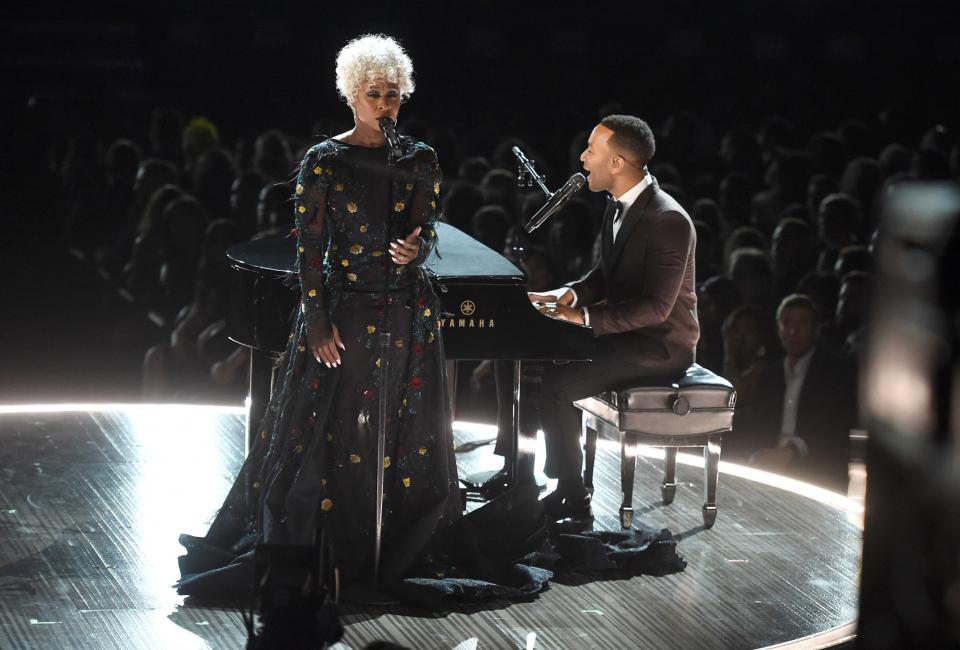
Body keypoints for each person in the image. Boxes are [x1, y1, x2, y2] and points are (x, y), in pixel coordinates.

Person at [175, 34, 472, 599]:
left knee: (402, 426)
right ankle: (334, 539)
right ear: (351, 94)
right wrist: (315, 320)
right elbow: (309, 249)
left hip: (408, 306)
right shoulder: (324, 160)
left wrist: (417, 245)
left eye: (393, 94)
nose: (386, 104)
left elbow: (426, 225)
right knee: (335, 425)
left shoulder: (419, 157)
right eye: (374, 93)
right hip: (348, 304)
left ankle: (394, 540)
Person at [527, 115, 699, 522]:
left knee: (555, 384)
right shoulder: (615, 205)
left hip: (659, 347)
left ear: (618, 163)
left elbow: (657, 308)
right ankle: (552, 479)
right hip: (623, 334)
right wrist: (566, 294)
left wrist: (582, 316)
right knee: (540, 357)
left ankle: (572, 494)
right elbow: (604, 277)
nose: (582, 157)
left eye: (591, 150)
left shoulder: (668, 220)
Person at [736, 294, 857, 491]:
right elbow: (759, 420)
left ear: (816, 329)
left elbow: (835, 426)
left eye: (802, 324)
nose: (793, 331)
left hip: (818, 466)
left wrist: (791, 450)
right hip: (772, 464)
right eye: (786, 323)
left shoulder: (836, 371)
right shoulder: (771, 375)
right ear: (778, 328)